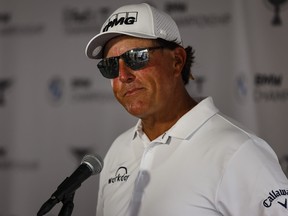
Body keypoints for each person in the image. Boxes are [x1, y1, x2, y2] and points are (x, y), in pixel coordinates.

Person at [85, 3, 288, 216]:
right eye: (111, 65)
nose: (123, 75)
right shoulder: (118, 149)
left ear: (177, 60)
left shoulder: (239, 151)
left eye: (137, 57)